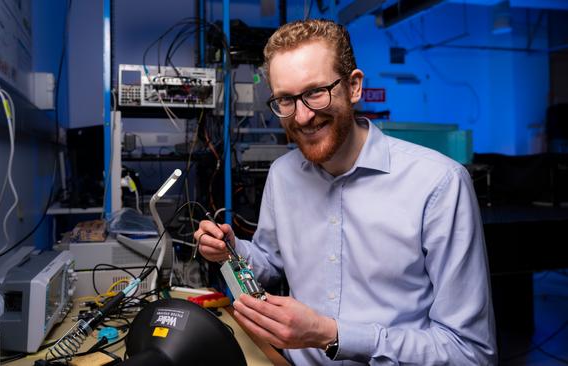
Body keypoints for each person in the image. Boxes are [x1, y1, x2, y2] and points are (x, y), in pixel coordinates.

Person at [194, 19, 496, 365]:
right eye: (285, 100)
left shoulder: (439, 184)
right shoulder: (283, 175)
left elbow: (470, 353)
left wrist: (331, 334)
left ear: (354, 87)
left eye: (315, 92)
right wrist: (230, 252)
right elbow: (269, 263)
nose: (303, 116)